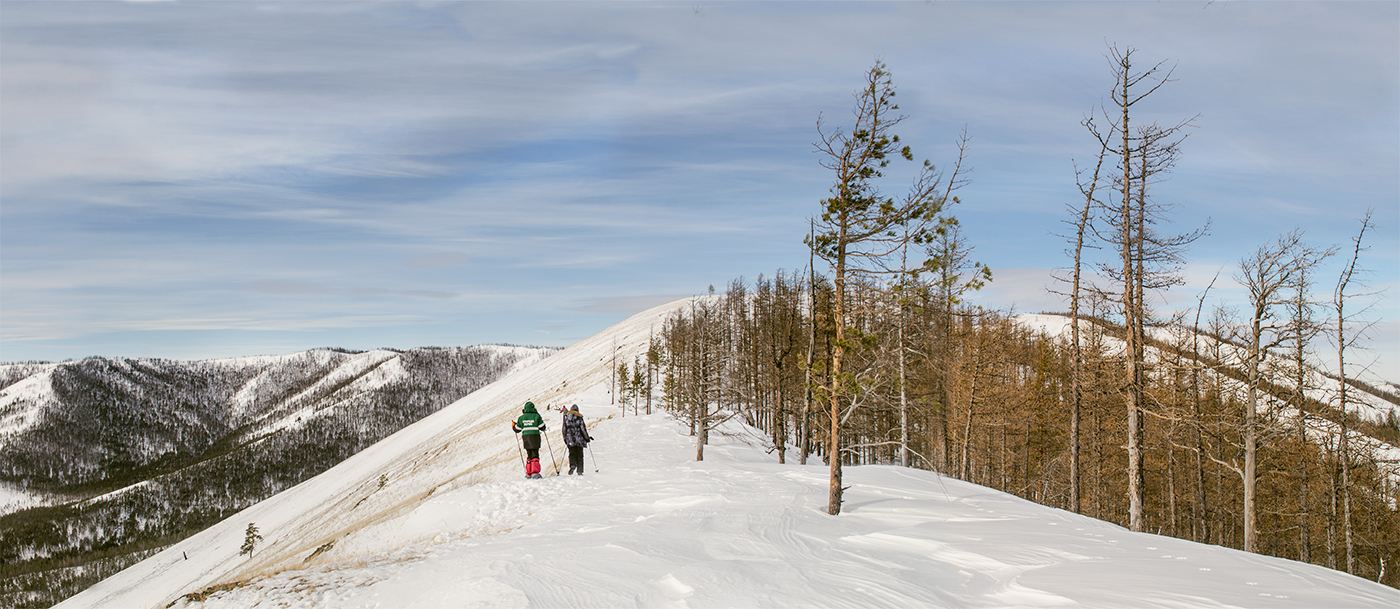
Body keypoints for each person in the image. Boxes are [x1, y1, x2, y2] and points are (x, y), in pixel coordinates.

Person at [512, 401, 546, 479]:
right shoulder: (537, 416)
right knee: (535, 454)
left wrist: (513, 425)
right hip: (535, 437)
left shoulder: (521, 418)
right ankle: (535, 472)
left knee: (529, 455)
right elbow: (542, 427)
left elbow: (517, 429)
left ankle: (529, 473)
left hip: (526, 438)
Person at [562, 404, 593, 475]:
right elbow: (583, 429)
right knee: (580, 455)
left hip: (570, 440)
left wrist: (565, 439)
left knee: (572, 454)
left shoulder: (566, 418)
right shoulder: (579, 418)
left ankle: (572, 465)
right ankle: (580, 470)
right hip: (579, 440)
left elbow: (564, 429)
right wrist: (587, 438)